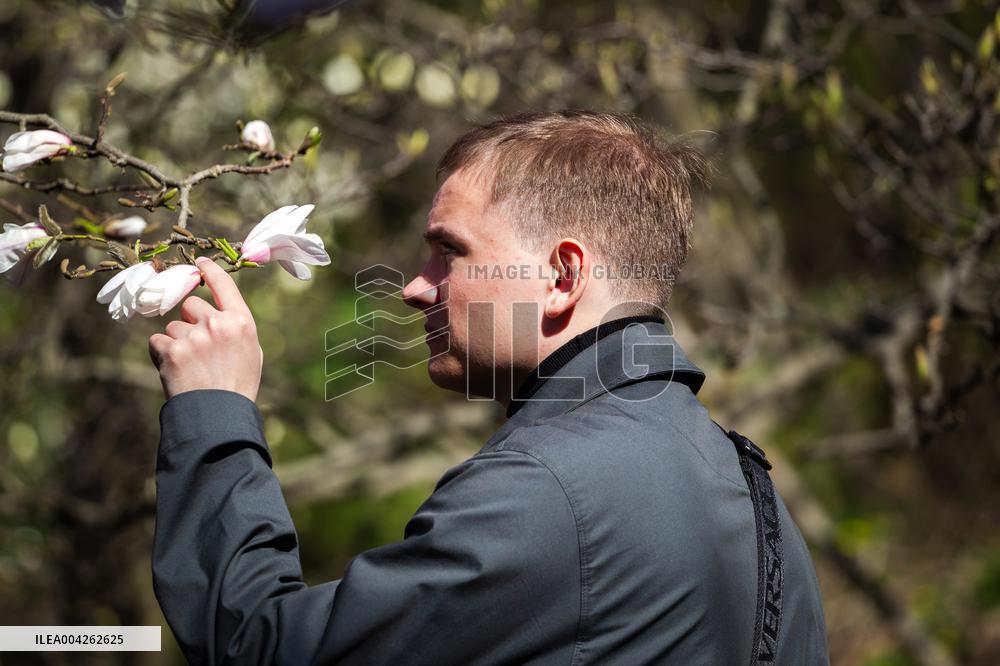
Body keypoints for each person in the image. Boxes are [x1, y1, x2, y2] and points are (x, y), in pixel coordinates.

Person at [148, 110, 829, 665]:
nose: (414, 287)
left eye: (450, 250)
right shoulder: (750, 488)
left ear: (562, 277)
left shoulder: (548, 488)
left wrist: (215, 412)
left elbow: (257, 647)